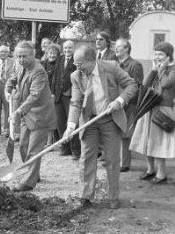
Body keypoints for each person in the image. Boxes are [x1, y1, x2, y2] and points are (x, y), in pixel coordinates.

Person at [64, 45, 138, 209]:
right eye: (76, 65)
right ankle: (86, 196)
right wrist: (70, 127)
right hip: (89, 120)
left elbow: (132, 85)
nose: (78, 68)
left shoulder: (111, 67)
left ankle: (113, 197)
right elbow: (75, 103)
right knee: (86, 158)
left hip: (110, 119)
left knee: (112, 159)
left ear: (92, 60)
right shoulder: (76, 76)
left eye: (80, 64)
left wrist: (119, 101)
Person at [6, 41, 56, 192]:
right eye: (18, 56)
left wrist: (18, 112)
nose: (21, 59)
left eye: (24, 56)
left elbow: (34, 96)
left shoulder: (38, 71)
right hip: (27, 114)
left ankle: (28, 182)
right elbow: (13, 77)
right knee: (23, 146)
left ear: (32, 55)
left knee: (34, 149)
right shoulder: (20, 65)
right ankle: (34, 174)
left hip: (40, 114)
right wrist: (8, 87)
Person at [130, 42, 175, 184]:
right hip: (149, 107)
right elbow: (145, 84)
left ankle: (162, 174)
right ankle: (150, 170)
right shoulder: (157, 68)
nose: (157, 56)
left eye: (160, 54)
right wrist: (154, 70)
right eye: (155, 53)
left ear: (169, 55)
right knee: (147, 141)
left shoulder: (173, 69)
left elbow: (166, 83)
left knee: (159, 143)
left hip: (163, 109)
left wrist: (161, 69)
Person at [115, 38, 144, 172]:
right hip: (116, 103)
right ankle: (117, 161)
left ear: (126, 49)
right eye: (116, 46)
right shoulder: (115, 64)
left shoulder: (135, 65)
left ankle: (124, 164)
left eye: (119, 46)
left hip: (129, 104)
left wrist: (124, 101)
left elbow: (137, 86)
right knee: (116, 132)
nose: (116, 48)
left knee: (126, 134)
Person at [53, 40, 81, 160]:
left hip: (70, 95)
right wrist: (53, 92)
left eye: (69, 48)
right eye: (65, 48)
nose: (67, 50)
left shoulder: (76, 60)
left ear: (73, 48)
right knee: (60, 122)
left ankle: (75, 151)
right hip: (58, 95)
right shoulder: (59, 59)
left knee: (72, 122)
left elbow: (78, 77)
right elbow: (56, 76)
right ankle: (65, 148)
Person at [0, 45, 15, 137]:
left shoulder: (13, 62)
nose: (2, 53)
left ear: (8, 53)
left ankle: (7, 129)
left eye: (4, 51)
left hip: (7, 86)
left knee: (8, 108)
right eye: (0, 52)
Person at [41, 42, 61, 146]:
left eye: (54, 53)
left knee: (51, 119)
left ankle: (50, 142)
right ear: (47, 54)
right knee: (43, 119)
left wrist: (53, 93)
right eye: (50, 53)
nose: (52, 55)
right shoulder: (43, 64)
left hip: (53, 95)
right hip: (43, 95)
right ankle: (44, 140)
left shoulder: (59, 65)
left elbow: (57, 81)